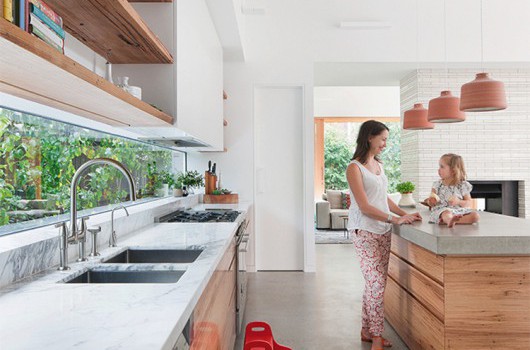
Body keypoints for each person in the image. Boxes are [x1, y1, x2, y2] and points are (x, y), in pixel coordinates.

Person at [345, 120, 422, 350]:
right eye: (383, 139)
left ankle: (366, 330)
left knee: (374, 284)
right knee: (376, 284)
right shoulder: (354, 168)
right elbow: (365, 206)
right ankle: (377, 337)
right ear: (370, 137)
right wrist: (395, 219)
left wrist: (405, 213)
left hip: (383, 230)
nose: (386, 144)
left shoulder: (378, 165)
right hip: (365, 231)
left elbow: (383, 196)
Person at [423, 153, 480, 228]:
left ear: (453, 171)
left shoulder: (462, 185)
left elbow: (468, 203)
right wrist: (430, 201)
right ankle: (449, 220)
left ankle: (449, 221)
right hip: (442, 211)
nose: (438, 169)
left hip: (459, 211)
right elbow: (430, 201)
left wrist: (459, 202)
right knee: (446, 213)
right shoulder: (437, 185)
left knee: (475, 216)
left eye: (442, 167)